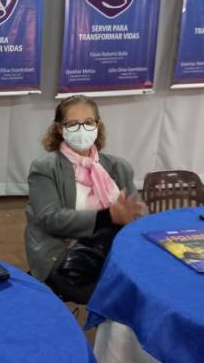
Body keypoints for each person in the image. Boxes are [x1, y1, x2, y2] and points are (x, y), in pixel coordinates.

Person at [25, 95, 146, 303]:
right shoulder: (45, 168)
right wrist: (107, 217)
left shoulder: (118, 167)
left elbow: (137, 212)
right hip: (66, 254)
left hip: (115, 250)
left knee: (148, 282)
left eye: (88, 122)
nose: (82, 129)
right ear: (60, 129)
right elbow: (50, 220)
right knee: (119, 296)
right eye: (72, 124)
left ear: (98, 125)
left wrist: (135, 215)